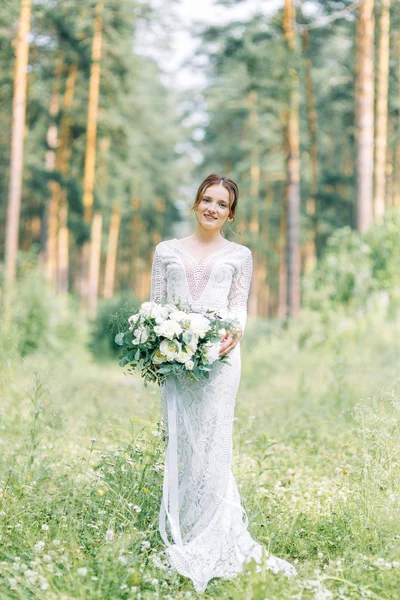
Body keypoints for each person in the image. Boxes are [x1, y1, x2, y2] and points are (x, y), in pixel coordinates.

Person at [150, 173, 297, 593]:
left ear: (230, 214)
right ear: (196, 203)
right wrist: (162, 343)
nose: (213, 208)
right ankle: (183, 526)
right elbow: (155, 303)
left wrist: (233, 335)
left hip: (220, 363)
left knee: (214, 444)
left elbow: (238, 308)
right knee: (181, 443)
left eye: (222, 204)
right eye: (207, 200)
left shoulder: (240, 255)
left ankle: (210, 536)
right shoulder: (165, 250)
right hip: (175, 364)